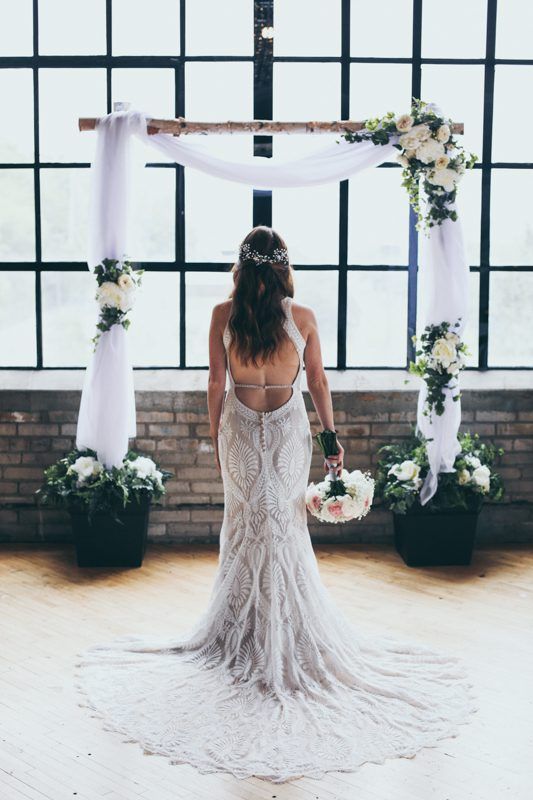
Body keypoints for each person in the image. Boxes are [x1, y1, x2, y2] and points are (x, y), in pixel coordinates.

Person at [77, 226, 475, 783]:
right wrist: (332, 441)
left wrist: (217, 440)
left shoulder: (224, 314)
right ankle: (279, 632)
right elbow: (316, 383)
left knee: (245, 524)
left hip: (240, 428)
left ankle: (244, 634)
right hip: (288, 431)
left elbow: (216, 382)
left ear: (241, 266)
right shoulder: (303, 316)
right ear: (284, 266)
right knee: (285, 528)